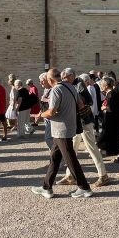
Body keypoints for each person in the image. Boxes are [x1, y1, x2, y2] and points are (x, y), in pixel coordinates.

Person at [30, 67, 93, 198]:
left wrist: (40, 115)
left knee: (70, 159)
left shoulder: (56, 89)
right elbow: (80, 105)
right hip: (68, 127)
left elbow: (51, 112)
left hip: (61, 130)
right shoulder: (70, 86)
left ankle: (84, 188)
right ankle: (47, 187)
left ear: (50, 79)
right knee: (54, 158)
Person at [55, 71, 111, 187]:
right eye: (62, 77)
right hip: (76, 122)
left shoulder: (79, 84)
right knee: (72, 149)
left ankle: (103, 175)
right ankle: (70, 175)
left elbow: (88, 101)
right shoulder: (69, 85)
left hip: (84, 121)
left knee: (91, 147)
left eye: (65, 77)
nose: (63, 79)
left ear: (72, 76)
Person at [99, 75, 119, 162]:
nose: (101, 86)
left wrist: (104, 108)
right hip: (111, 119)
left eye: (102, 84)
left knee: (102, 138)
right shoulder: (110, 93)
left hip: (111, 120)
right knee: (115, 138)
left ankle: (99, 153)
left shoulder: (111, 94)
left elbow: (112, 108)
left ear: (106, 85)